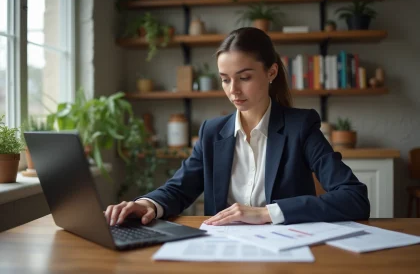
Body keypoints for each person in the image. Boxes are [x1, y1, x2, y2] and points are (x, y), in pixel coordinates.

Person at [105, 27, 370, 227]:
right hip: (224, 250)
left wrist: (267, 213)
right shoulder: (212, 131)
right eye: (225, 79)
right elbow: (179, 188)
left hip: (287, 253)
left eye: (244, 77)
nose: (233, 90)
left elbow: (354, 197)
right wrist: (144, 204)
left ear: (271, 72)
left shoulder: (300, 127)